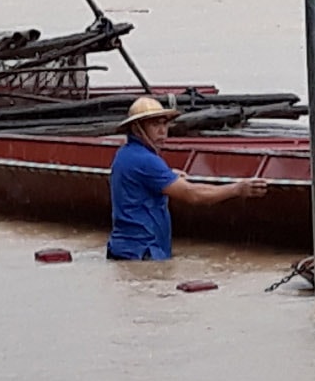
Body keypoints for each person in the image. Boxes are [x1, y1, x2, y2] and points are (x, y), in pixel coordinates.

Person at [106, 96, 268, 260]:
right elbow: (193, 194)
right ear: (136, 129)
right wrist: (237, 189)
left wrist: (169, 175)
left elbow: (143, 181)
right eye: (155, 125)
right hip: (142, 251)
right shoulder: (146, 160)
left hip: (124, 249)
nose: (163, 130)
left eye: (164, 124)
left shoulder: (125, 154)